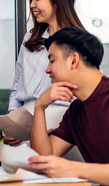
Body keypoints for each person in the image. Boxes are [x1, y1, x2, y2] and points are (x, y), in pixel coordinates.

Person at [5, 0, 85, 145]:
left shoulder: (81, 42)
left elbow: (89, 94)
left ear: (57, 0)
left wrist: (62, 130)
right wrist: (13, 122)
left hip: (62, 126)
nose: (32, 5)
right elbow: (17, 86)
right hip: (23, 125)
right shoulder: (30, 38)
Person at [29, 27, 109, 185]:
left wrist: (72, 168)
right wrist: (39, 107)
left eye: (52, 61)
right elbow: (42, 160)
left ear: (73, 60)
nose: (47, 70)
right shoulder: (76, 111)